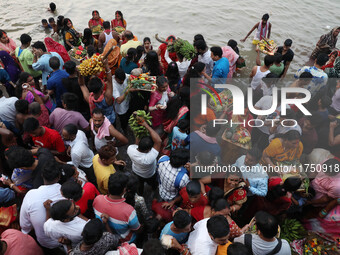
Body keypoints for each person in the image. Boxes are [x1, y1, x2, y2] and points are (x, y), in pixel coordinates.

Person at [20, 161, 64, 253]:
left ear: (42, 176)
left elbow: (24, 226)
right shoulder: (66, 192)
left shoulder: (31, 195)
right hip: (68, 239)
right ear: (59, 177)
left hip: (46, 243)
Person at [93, 172, 141, 243]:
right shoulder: (129, 211)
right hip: (125, 241)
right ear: (124, 190)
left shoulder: (97, 199)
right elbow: (136, 229)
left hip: (105, 236)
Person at [304, 158, 340, 240]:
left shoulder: (337, 185)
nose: (323, 171)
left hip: (317, 201)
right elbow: (315, 172)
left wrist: (310, 202)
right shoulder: (327, 163)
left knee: (309, 214)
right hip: (311, 187)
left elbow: (326, 199)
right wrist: (307, 182)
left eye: (326, 171)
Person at [127, 120, 162, 195]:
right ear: (148, 150)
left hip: (136, 171)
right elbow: (158, 141)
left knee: (139, 185)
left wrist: (138, 129)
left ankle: (140, 194)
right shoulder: (149, 158)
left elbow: (136, 143)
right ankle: (154, 190)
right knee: (153, 183)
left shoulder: (130, 149)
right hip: (149, 174)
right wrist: (146, 126)